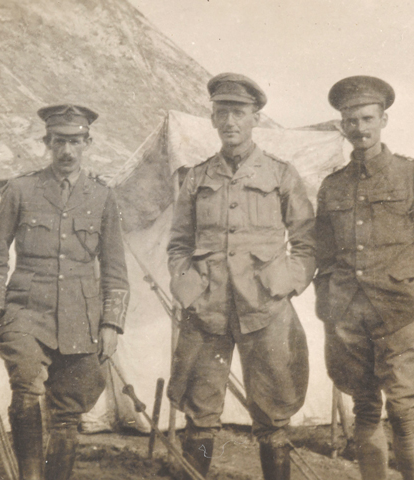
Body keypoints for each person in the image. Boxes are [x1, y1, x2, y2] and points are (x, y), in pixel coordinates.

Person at [167, 73, 315, 480]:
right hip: (207, 310)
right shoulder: (196, 178)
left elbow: (306, 241)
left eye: (239, 112)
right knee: (200, 412)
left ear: (256, 118)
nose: (230, 121)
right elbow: (178, 243)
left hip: (264, 310)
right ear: (213, 119)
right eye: (222, 112)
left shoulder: (282, 175)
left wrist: (286, 284)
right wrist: (186, 289)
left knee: (274, 414)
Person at [0, 104, 129, 480]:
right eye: (59, 141)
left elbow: (114, 267)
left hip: (82, 316)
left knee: (68, 410)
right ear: (47, 141)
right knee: (27, 387)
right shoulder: (21, 189)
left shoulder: (102, 197)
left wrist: (111, 322)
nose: (67, 151)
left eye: (75, 142)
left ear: (87, 143)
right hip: (26, 310)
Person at [315, 76, 414, 480]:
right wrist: (328, 300)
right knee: (365, 406)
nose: (360, 128)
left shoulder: (409, 176)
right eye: (351, 121)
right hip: (348, 315)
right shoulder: (331, 185)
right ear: (342, 126)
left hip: (398, 312)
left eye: (367, 118)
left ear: (384, 119)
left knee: (406, 405)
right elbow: (322, 252)